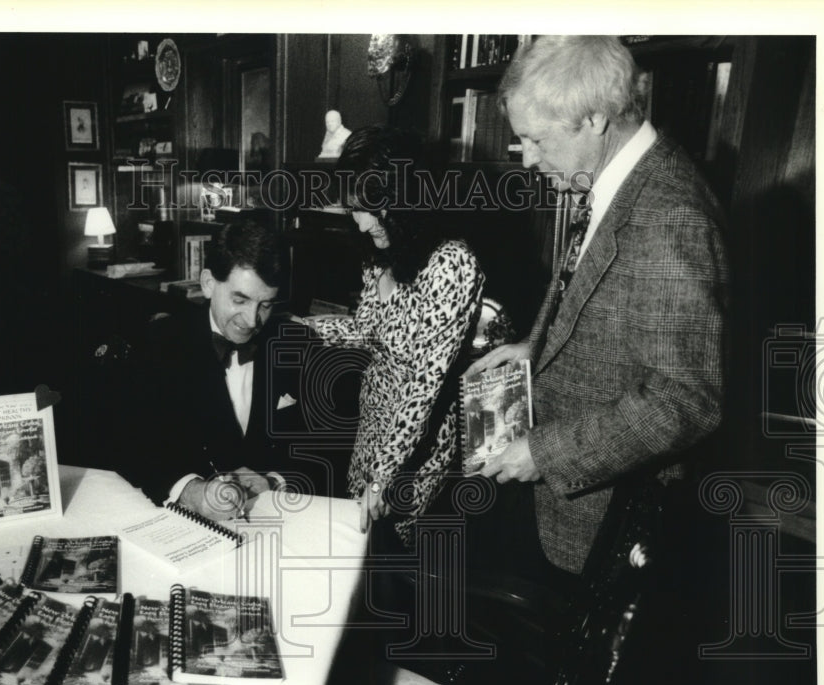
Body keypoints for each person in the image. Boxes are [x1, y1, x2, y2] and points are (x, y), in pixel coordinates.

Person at [466, 36, 729, 581]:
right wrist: (529, 349)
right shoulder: (617, 184)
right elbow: (593, 301)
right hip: (565, 515)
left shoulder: (668, 215)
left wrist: (543, 453)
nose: (528, 158)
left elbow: (687, 397)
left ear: (593, 119)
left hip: (604, 527)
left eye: (536, 140)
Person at [301, 126, 485, 542]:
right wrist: (308, 328)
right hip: (372, 424)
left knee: (389, 558)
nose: (362, 224)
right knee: (357, 551)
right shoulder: (380, 254)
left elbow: (425, 385)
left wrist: (385, 477)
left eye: (370, 208)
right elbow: (368, 331)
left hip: (415, 450)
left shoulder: (452, 264)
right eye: (353, 209)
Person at [125, 220, 313, 521]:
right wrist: (192, 491)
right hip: (186, 525)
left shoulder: (295, 344)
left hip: (276, 521)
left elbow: (320, 445)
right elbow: (134, 445)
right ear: (208, 283)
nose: (252, 321)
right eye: (240, 300)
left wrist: (274, 480)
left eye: (265, 305)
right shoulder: (159, 344)